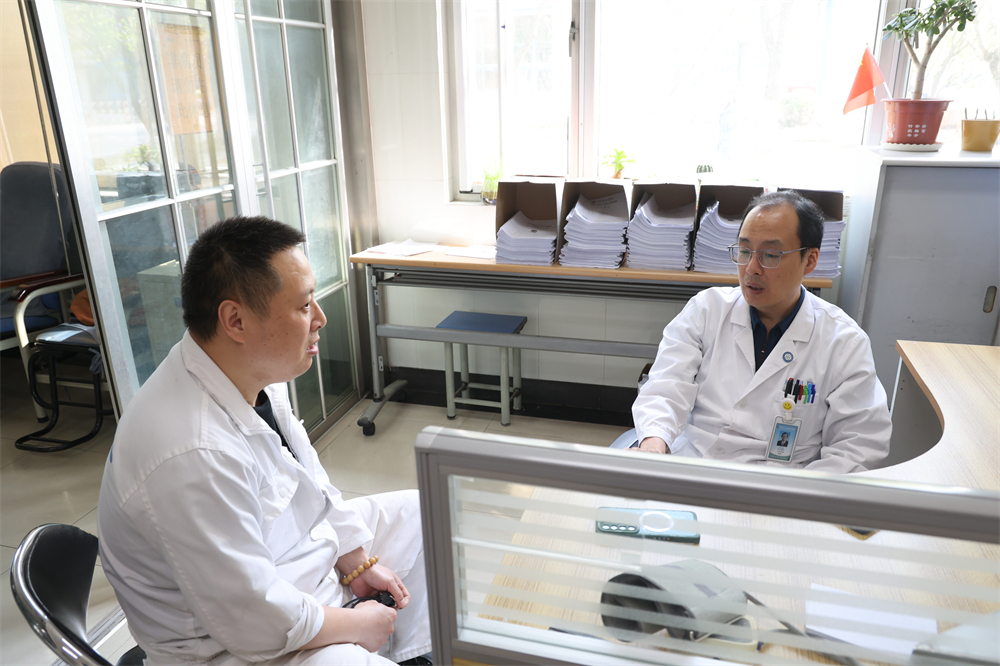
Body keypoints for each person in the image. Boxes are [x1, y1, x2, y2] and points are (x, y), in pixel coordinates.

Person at [97, 217, 432, 666]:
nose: (320, 319)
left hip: (289, 567)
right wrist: (356, 624)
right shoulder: (192, 452)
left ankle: (413, 651)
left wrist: (355, 561)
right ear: (235, 320)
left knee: (421, 512)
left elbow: (310, 479)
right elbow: (253, 619)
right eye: (304, 305)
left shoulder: (244, 373)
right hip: (236, 648)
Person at [631, 191, 891, 473]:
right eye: (745, 251)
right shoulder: (707, 310)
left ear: (810, 260)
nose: (752, 269)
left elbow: (857, 445)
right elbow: (666, 387)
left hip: (783, 483)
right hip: (695, 461)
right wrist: (654, 443)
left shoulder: (844, 342)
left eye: (770, 255)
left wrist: (799, 493)